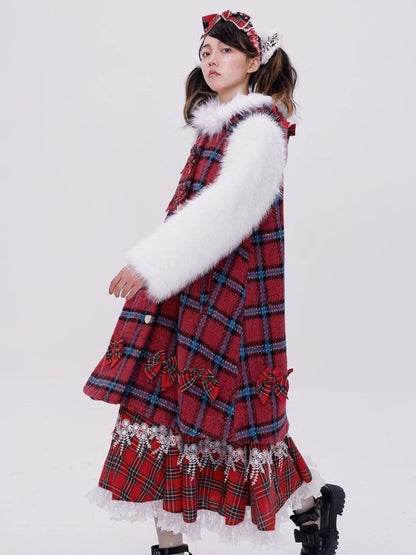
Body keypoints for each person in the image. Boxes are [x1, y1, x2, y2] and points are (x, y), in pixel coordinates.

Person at [83, 10, 345, 555]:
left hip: (234, 301)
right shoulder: (217, 127)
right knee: (162, 414)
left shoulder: (260, 129)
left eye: (225, 50)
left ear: (252, 62)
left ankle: (311, 509)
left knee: (247, 426)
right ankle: (172, 547)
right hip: (189, 290)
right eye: (205, 51)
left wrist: (151, 264)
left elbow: (227, 213)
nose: (211, 60)